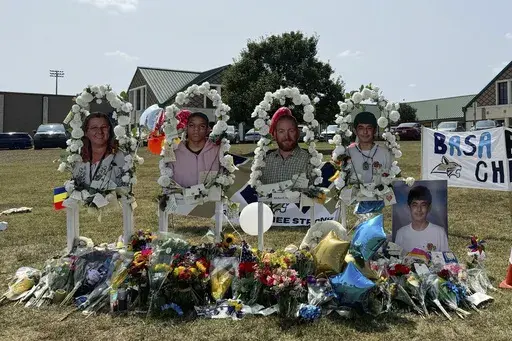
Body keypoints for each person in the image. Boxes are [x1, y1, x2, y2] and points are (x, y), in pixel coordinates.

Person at [259, 107, 313, 186]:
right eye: (281, 131)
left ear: (298, 133)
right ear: (275, 134)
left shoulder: (310, 162)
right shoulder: (264, 163)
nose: (286, 136)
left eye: (291, 131)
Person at [167, 111, 220, 188]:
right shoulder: (174, 152)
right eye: (192, 125)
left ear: (208, 129)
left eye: (202, 126)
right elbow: (168, 182)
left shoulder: (217, 150)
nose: (196, 129)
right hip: (181, 199)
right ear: (186, 128)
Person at [73, 112, 125, 190]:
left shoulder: (122, 157)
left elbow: (126, 191)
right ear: (86, 132)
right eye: (94, 128)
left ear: (109, 129)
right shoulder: (78, 158)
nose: (100, 131)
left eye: (104, 127)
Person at [394, 185, 449, 253]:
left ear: (429, 207)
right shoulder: (401, 233)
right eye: (415, 205)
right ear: (409, 207)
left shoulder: (440, 232)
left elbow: (446, 261)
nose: (419, 209)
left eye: (423, 205)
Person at [346, 111, 393, 184]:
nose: (365, 132)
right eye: (361, 128)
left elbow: (389, 178)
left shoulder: (385, 153)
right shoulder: (348, 152)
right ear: (355, 131)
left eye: (369, 128)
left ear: (374, 130)